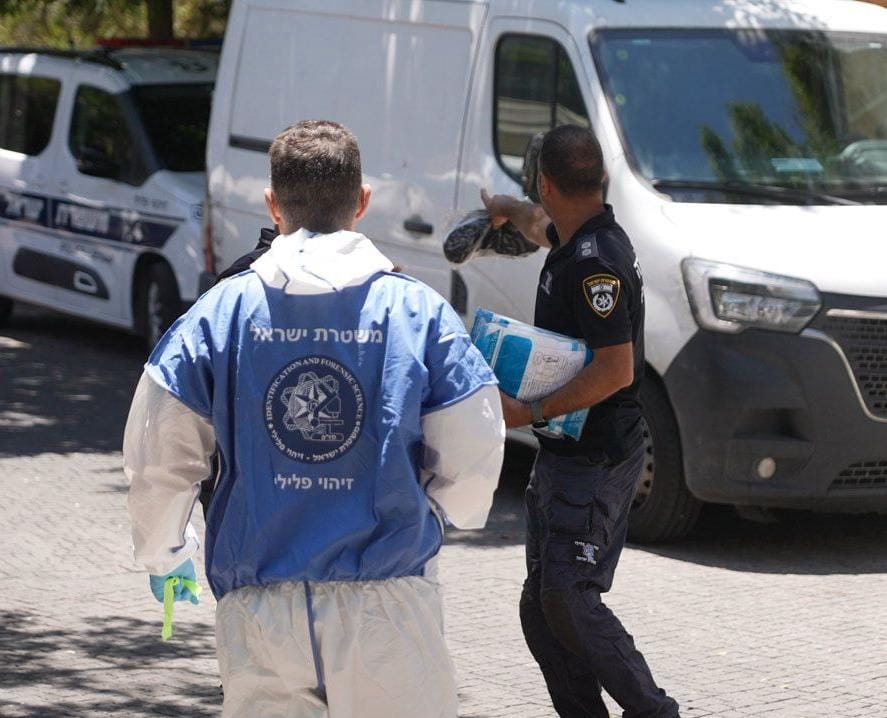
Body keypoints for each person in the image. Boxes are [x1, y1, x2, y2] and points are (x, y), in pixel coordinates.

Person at [124, 119, 505, 718]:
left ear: (272, 204)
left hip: (260, 609)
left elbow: (159, 450)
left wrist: (164, 550)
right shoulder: (418, 311)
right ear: (363, 200)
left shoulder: (219, 312)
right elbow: (474, 442)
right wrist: (444, 510)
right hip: (389, 607)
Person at [482, 124, 680, 718]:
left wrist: (528, 411)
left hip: (596, 458)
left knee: (568, 598)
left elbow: (616, 369)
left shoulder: (597, 263)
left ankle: (656, 711)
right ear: (602, 179)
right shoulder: (576, 237)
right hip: (564, 456)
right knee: (543, 608)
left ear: (546, 182)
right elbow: (540, 224)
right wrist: (507, 208)